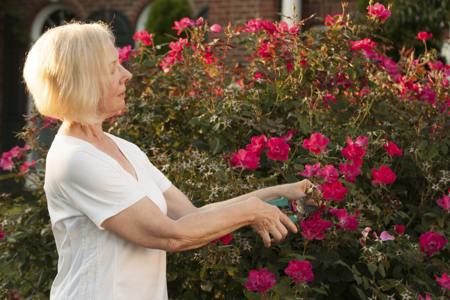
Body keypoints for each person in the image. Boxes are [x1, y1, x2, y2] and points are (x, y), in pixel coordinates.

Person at [23, 22, 314, 299]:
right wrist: (250, 212)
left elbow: (189, 215)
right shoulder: (76, 160)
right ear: (83, 81)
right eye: (113, 68)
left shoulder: (122, 148)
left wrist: (275, 194)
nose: (127, 75)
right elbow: (171, 236)